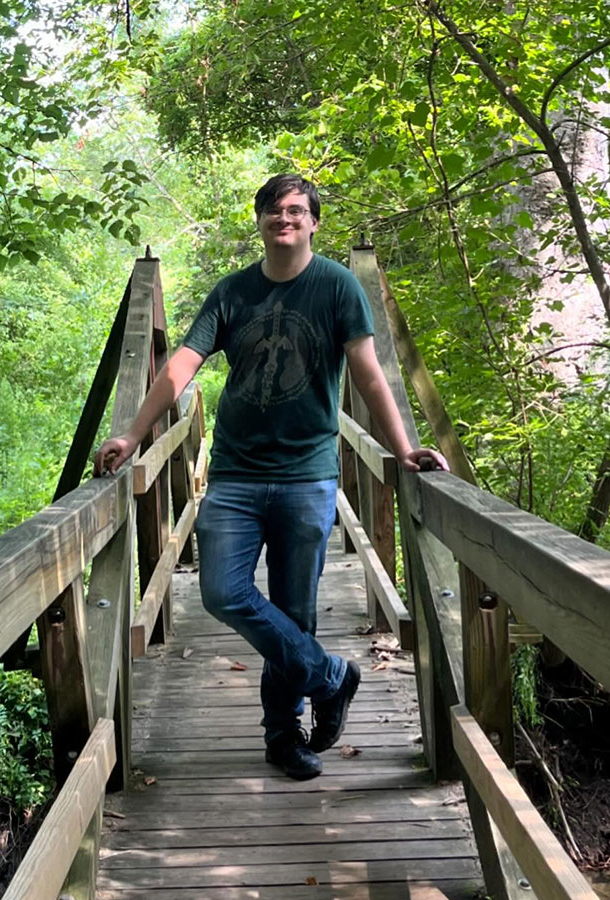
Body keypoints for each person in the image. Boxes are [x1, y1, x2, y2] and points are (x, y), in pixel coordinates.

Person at [94, 174, 448, 780]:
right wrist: (132, 432)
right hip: (234, 472)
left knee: (294, 612)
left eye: (295, 211)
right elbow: (180, 368)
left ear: (312, 222)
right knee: (222, 593)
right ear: (259, 221)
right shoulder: (232, 293)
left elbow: (367, 375)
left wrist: (406, 448)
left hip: (307, 475)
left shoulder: (337, 286)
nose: (283, 219)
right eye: (272, 211)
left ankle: (283, 739)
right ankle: (332, 677)